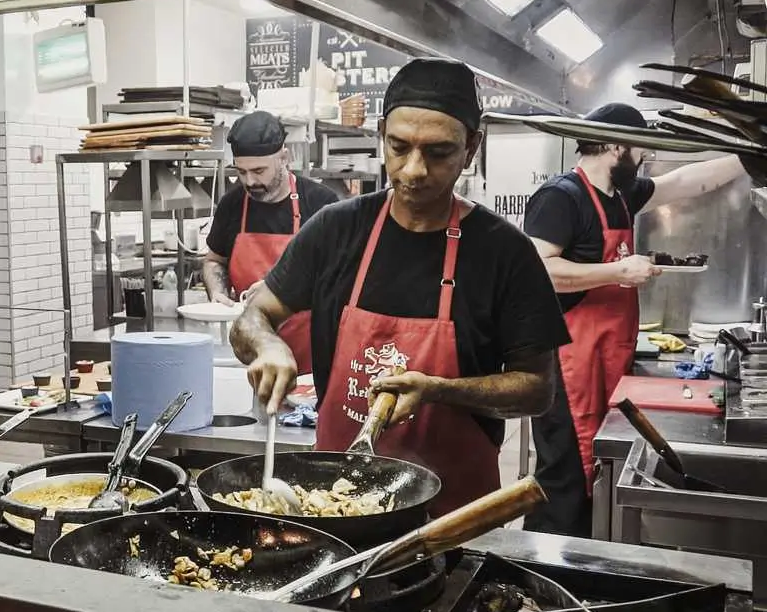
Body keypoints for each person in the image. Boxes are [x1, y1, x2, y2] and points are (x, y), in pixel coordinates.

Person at [230, 58, 571, 516]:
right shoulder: (336, 229)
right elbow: (254, 316)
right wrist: (267, 346)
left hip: (451, 516)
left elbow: (537, 388)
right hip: (335, 505)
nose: (413, 170)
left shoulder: (504, 252)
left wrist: (438, 389)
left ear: (472, 147)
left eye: (438, 152)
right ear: (380, 136)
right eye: (399, 146)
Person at [522, 103, 748, 536]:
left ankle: (593, 559)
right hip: (567, 362)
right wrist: (618, 272)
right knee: (565, 475)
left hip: (610, 354)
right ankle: (542, 574)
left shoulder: (621, 195)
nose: (643, 156)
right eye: (640, 147)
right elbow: (539, 272)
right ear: (613, 145)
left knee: (602, 466)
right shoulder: (561, 197)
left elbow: (685, 182)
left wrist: (747, 155)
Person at [203, 111, 338, 374]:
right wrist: (217, 292)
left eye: (258, 171)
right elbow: (214, 260)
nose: (250, 182)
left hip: (312, 362)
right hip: (250, 356)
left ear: (284, 158)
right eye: (241, 172)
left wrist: (282, 288)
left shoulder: (322, 204)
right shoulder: (232, 205)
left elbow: (341, 279)